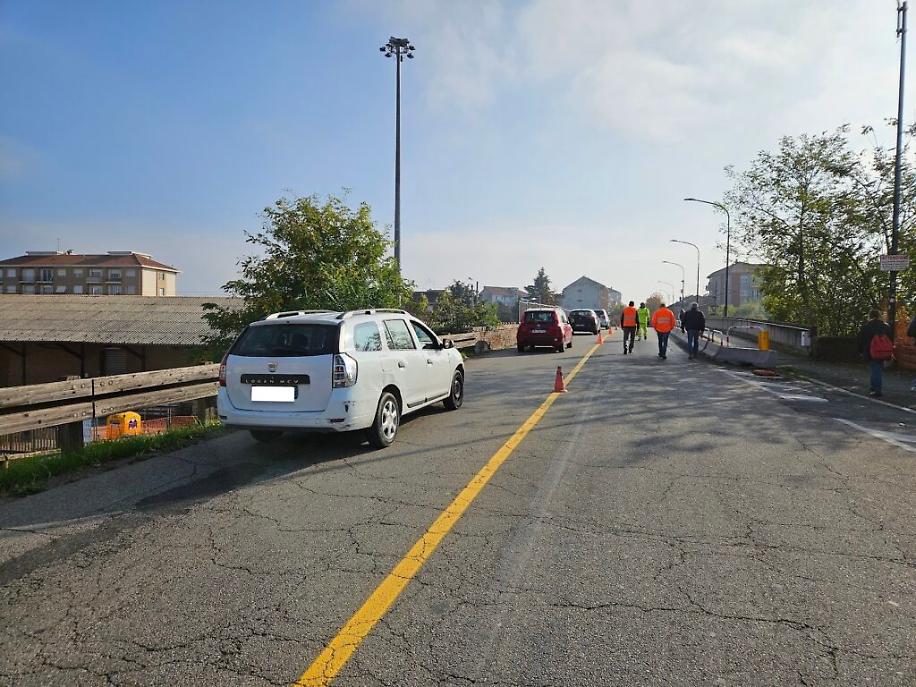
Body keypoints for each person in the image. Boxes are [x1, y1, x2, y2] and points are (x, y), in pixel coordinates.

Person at [857, 309, 892, 397]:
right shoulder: (885, 326)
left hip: (871, 351)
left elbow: (860, 340)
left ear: (870, 316)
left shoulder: (866, 327)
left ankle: (877, 389)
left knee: (875, 369)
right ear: (879, 316)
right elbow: (891, 339)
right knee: (877, 369)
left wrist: (860, 351)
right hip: (884, 351)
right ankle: (873, 387)